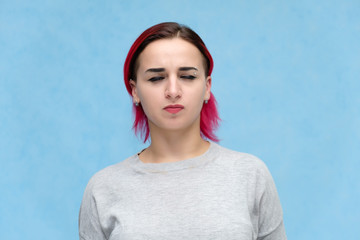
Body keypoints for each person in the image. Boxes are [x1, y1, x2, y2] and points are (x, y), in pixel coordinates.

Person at [79, 22, 287, 240]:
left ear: (207, 87)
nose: (173, 91)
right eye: (156, 78)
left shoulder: (250, 174)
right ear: (135, 91)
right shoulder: (103, 188)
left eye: (187, 76)